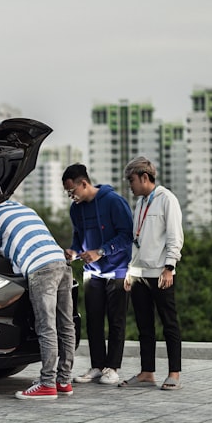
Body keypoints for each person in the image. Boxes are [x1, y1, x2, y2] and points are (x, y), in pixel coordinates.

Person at [0, 187, 76, 400]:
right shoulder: (25, 209)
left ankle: (47, 384)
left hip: (41, 270)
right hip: (61, 263)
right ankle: (63, 381)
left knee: (46, 327)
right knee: (66, 325)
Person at [61, 164, 134, 386]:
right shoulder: (76, 209)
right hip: (92, 273)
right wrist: (73, 251)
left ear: (84, 184)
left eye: (72, 191)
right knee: (93, 320)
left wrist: (101, 252)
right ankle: (97, 366)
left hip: (118, 270)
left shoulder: (113, 201)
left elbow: (126, 236)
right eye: (67, 193)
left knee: (116, 321)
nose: (71, 196)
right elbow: (77, 237)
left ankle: (112, 368)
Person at [119, 157, 185, 390]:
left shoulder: (167, 199)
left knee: (169, 324)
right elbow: (136, 241)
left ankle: (174, 374)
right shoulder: (140, 203)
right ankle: (147, 372)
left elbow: (174, 237)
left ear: (145, 177)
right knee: (144, 326)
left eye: (132, 180)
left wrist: (169, 268)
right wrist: (130, 271)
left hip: (160, 273)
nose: (130, 185)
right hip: (139, 274)